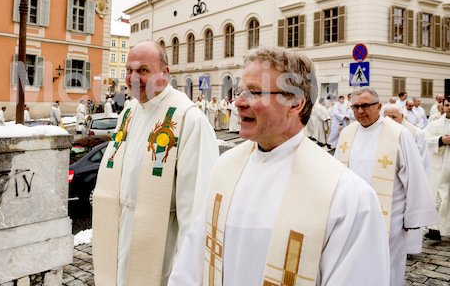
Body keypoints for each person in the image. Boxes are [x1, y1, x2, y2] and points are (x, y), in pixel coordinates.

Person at [169, 46, 390, 286]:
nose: (238, 102)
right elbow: (192, 261)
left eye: (253, 92)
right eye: (239, 91)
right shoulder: (225, 167)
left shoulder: (347, 196)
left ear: (295, 104)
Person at [93, 41, 219, 286]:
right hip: (119, 233)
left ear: (165, 73)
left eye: (143, 70)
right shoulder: (129, 111)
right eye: (129, 70)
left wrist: (187, 271)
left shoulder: (189, 119)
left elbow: (195, 207)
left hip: (160, 245)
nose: (133, 77)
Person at [335, 87, 437, 285]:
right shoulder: (347, 134)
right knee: (355, 266)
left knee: (386, 267)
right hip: (353, 216)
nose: (360, 111)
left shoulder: (399, 134)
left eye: (365, 106)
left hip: (390, 218)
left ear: (378, 106)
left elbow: (415, 177)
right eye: (355, 107)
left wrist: (413, 217)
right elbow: (337, 175)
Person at [384, 104, 431, 254]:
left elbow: (422, 162)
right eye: (387, 117)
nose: (390, 120)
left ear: (402, 117)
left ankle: (410, 248)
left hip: (410, 181)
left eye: (393, 117)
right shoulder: (382, 132)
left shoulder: (415, 132)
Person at [424, 96, 450, 240]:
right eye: (447, 105)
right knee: (437, 196)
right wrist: (441, 140)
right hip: (439, 165)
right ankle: (435, 229)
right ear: (442, 107)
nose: (449, 107)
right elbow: (424, 139)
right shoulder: (434, 124)